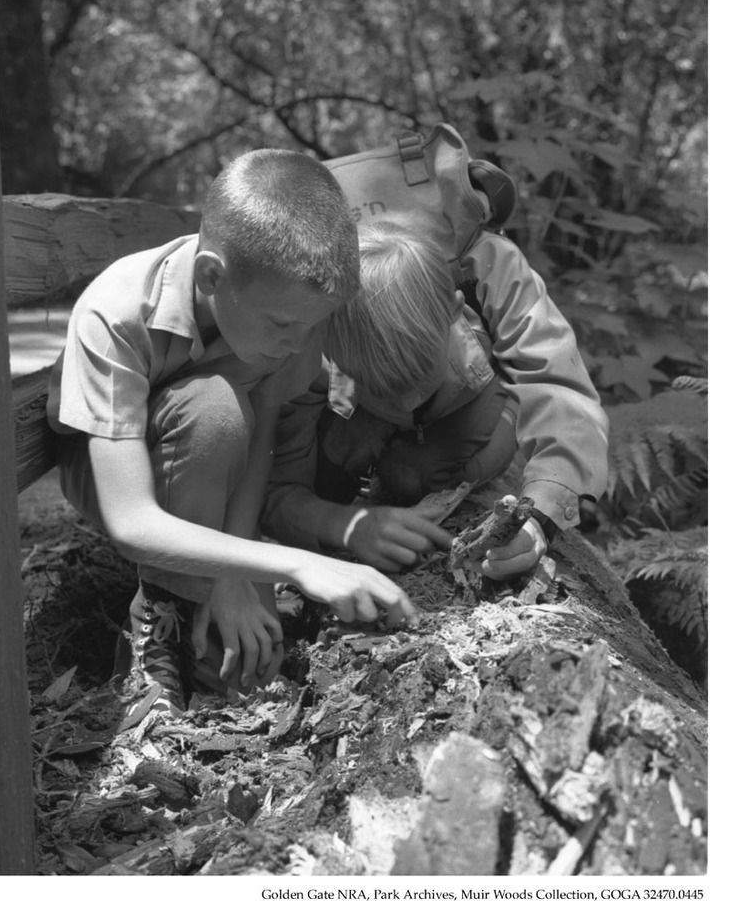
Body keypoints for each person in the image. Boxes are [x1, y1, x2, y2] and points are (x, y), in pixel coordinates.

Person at [46, 150, 419, 720]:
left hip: (219, 458)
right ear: (212, 277)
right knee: (214, 406)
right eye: (284, 326)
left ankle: (201, 614)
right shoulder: (116, 313)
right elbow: (130, 521)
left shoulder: (281, 323)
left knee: (250, 664)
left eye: (311, 325)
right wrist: (291, 566)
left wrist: (236, 580)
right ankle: (155, 633)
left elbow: (259, 443)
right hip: (110, 466)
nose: (300, 347)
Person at [261, 219, 609, 579]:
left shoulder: (489, 274)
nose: (406, 403)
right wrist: (344, 524)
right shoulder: (305, 347)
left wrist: (539, 518)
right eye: (383, 390)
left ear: (455, 310)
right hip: (350, 420)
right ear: (328, 347)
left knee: (440, 464)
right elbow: (273, 489)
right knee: (330, 473)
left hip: (467, 412)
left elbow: (562, 395)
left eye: (420, 378)